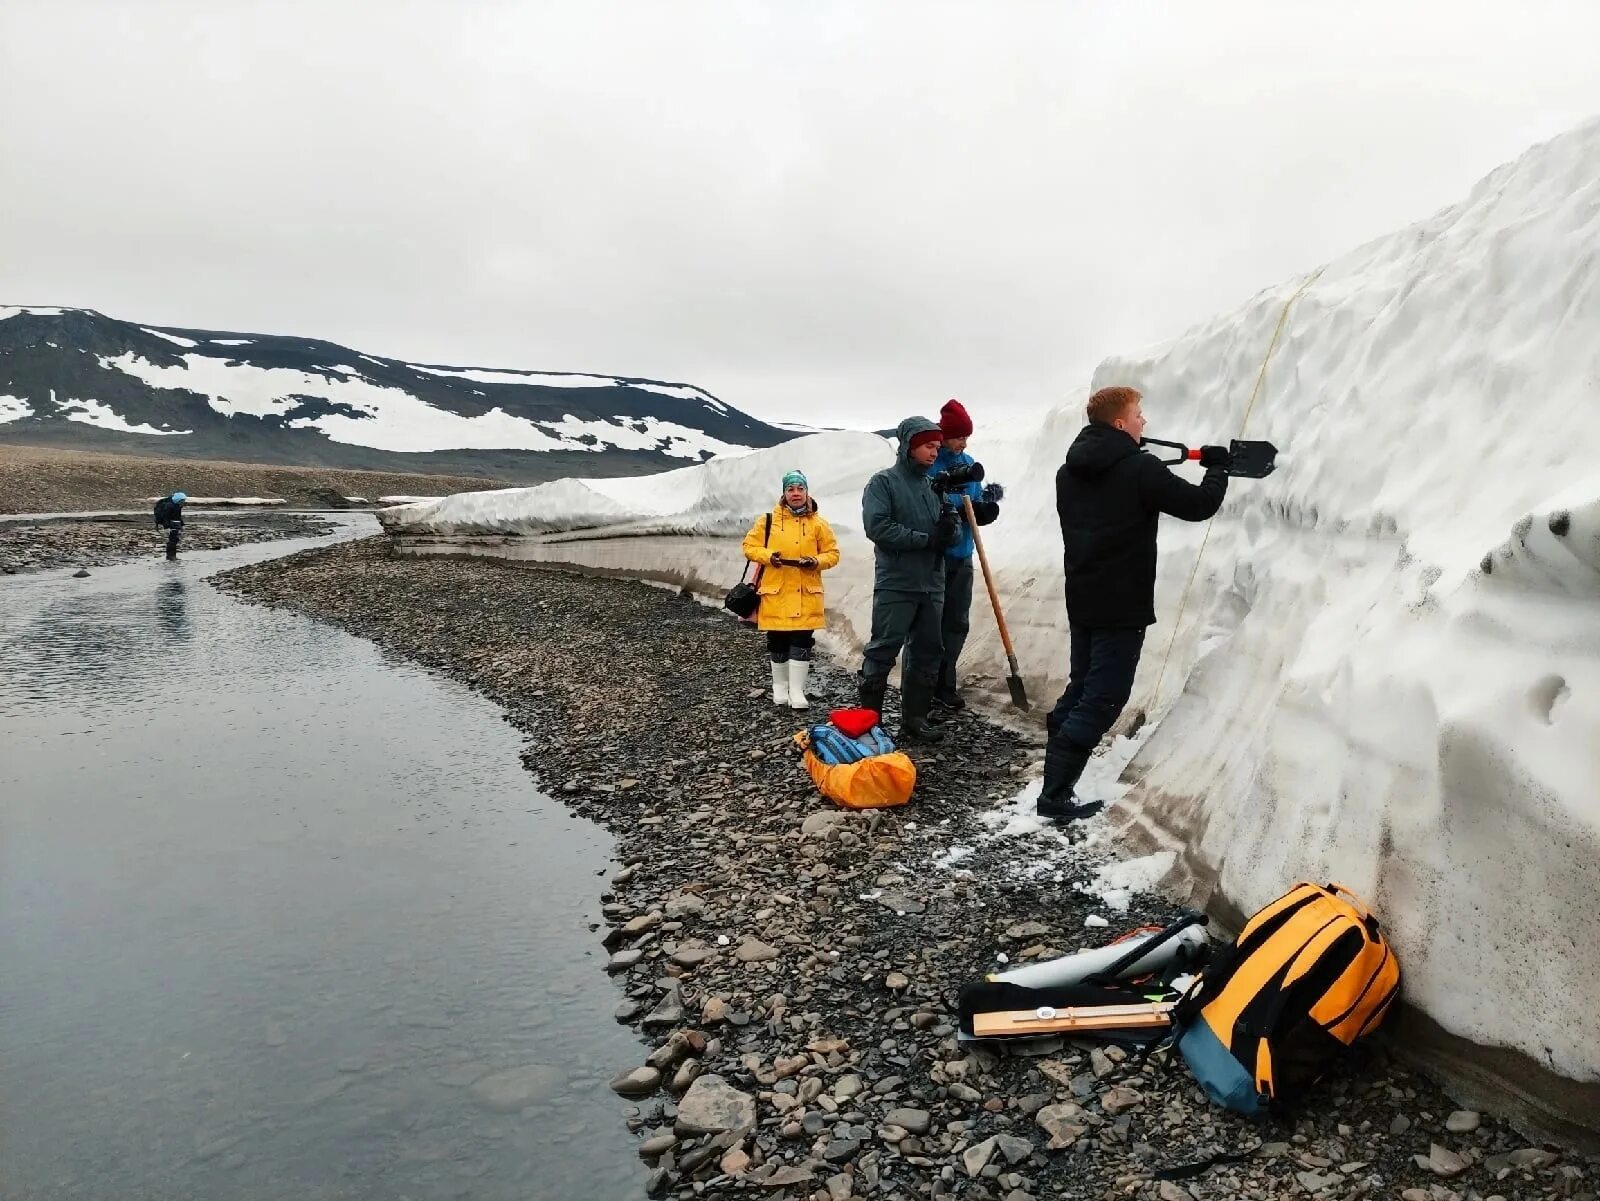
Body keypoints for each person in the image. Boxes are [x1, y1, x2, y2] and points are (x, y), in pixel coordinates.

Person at [1041, 386, 1231, 820]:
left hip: (1083, 595)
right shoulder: (1139, 469)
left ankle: (1055, 770)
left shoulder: (1067, 473)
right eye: (1139, 415)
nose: (1145, 422)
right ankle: (1054, 795)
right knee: (1104, 697)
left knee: (1083, 684)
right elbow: (1199, 505)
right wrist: (1218, 468)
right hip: (1122, 602)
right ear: (1120, 423)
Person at [858, 416, 959, 743]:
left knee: (929, 650)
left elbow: (952, 531)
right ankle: (870, 724)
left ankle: (914, 718)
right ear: (910, 445)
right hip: (896, 582)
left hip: (932, 583)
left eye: (937, 447)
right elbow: (878, 527)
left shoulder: (934, 487)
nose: (934, 452)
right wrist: (925, 539)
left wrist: (948, 531)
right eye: (928, 446)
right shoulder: (883, 483)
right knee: (884, 648)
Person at [928, 398, 1004, 712]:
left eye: (966, 436)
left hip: (963, 554)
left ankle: (946, 684)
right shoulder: (931, 463)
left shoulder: (970, 462)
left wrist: (986, 505)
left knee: (957, 622)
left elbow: (974, 505)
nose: (964, 441)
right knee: (931, 623)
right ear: (944, 435)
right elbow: (929, 508)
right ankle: (924, 684)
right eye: (959, 436)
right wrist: (956, 510)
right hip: (935, 558)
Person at [741, 469, 840, 711]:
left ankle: (797, 690)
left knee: (802, 640)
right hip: (777, 590)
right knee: (777, 639)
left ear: (807, 491)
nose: (795, 493)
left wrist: (816, 561)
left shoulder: (819, 524)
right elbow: (749, 546)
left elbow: (833, 554)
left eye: (800, 488)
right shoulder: (768, 521)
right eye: (790, 489)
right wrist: (767, 556)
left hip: (806, 591)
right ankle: (779, 687)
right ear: (784, 493)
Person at [153, 491, 188, 560]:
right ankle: (170, 556)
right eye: (182, 500)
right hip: (171, 525)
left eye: (183, 500)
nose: (183, 502)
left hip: (176, 524)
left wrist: (182, 525)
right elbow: (165, 517)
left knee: (175, 540)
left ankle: (172, 556)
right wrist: (167, 528)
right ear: (178, 499)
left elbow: (178, 516)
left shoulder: (178, 505)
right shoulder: (169, 505)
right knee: (172, 540)